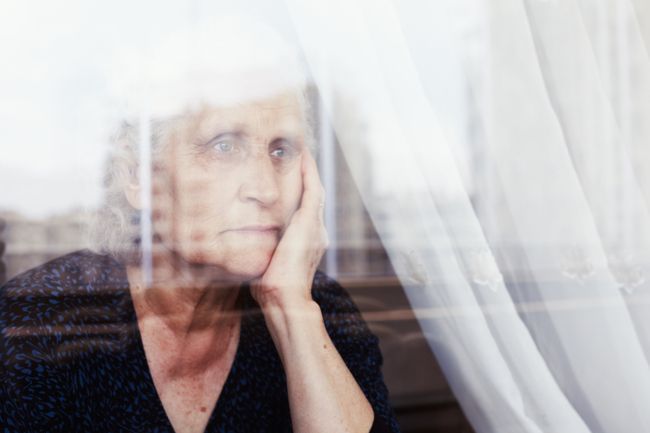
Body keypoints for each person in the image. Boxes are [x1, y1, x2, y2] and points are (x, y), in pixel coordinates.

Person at [0, 15, 400, 433]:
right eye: (224, 145)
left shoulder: (320, 312)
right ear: (137, 174)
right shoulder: (38, 325)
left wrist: (290, 310)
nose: (265, 189)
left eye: (281, 150)